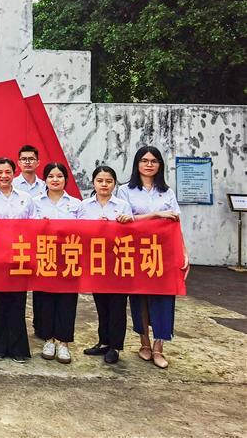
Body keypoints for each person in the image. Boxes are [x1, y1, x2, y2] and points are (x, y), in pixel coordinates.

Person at [119, 146, 189, 369]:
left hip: (164, 252)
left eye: (154, 161)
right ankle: (145, 344)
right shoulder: (125, 190)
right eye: (144, 160)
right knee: (139, 297)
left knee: (164, 298)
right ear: (137, 164)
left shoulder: (167, 192)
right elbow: (124, 220)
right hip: (136, 251)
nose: (149, 164)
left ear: (160, 165)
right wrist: (156, 214)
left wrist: (184, 252)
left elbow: (176, 224)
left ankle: (159, 346)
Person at [78, 165, 134, 364]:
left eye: (109, 181)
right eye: (100, 181)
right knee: (101, 303)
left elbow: (131, 232)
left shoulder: (122, 205)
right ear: (93, 182)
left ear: (114, 184)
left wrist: (119, 224)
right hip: (96, 260)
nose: (104, 184)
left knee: (117, 304)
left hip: (118, 260)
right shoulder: (84, 206)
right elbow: (78, 231)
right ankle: (103, 341)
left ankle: (115, 346)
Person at [0, 157, 35, 362]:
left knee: (17, 303)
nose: (4, 176)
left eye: (8, 172)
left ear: (14, 174)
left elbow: (33, 225)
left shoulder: (25, 198)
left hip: (20, 257)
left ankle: (17, 348)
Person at [31, 162, 82, 364]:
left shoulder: (76, 204)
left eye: (59, 176)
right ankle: (48, 340)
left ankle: (63, 342)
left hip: (69, 256)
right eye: (51, 176)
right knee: (44, 299)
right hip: (44, 255)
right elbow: (26, 227)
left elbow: (86, 229)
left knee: (67, 300)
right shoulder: (35, 202)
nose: (55, 179)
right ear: (45, 180)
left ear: (65, 180)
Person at [13, 145, 47, 337]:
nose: (28, 162)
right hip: (17, 244)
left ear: (38, 162)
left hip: (41, 242)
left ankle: (41, 325)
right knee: (18, 285)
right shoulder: (11, 183)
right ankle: (17, 326)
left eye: (31, 159)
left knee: (40, 285)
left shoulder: (45, 185)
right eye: (24, 159)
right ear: (18, 163)